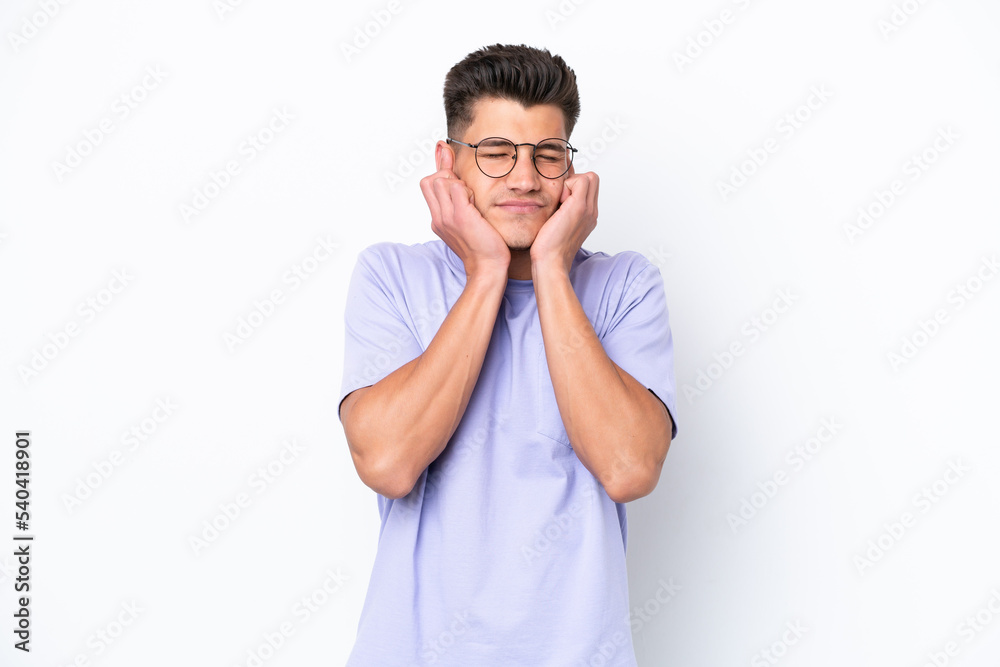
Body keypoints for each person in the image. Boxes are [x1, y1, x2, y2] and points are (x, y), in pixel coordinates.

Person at [337, 43, 678, 666]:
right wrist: (486, 272)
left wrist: (550, 266)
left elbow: (630, 468)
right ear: (449, 163)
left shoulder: (625, 286)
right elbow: (387, 461)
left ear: (571, 172)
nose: (524, 178)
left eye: (547, 156)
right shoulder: (391, 276)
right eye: (496, 154)